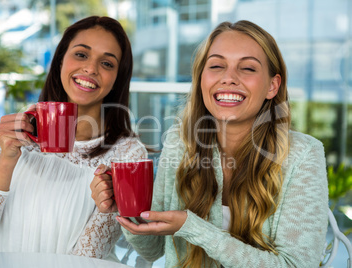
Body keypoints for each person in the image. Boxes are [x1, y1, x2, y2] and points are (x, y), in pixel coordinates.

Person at [91, 20, 329, 267]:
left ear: (272, 85)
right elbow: (152, 249)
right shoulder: (179, 142)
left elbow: (297, 264)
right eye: (216, 65)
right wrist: (127, 204)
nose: (228, 78)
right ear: (201, 79)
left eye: (247, 68)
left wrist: (193, 227)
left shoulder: (303, 154)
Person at [0, 16, 147, 259]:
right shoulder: (16, 130)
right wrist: (6, 158)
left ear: (118, 78)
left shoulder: (127, 153)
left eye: (107, 63)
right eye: (81, 54)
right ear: (60, 61)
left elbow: (85, 261)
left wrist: (110, 207)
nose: (91, 68)